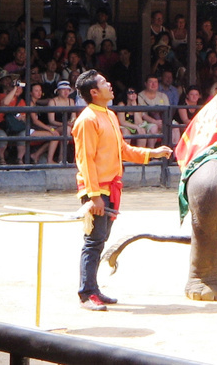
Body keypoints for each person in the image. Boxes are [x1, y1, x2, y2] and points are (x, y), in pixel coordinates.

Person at [73, 69, 172, 310]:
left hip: (111, 186)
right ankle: (87, 292)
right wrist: (94, 196)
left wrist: (152, 153)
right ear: (94, 92)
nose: (110, 85)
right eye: (104, 83)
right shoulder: (88, 119)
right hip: (97, 189)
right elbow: (85, 160)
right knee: (94, 241)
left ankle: (92, 288)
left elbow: (123, 150)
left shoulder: (108, 114)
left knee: (100, 239)